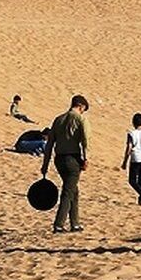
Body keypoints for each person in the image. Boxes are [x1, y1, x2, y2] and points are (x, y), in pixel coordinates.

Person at [40, 95, 91, 232]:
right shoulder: (80, 119)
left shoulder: (58, 119)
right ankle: (59, 223)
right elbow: (86, 141)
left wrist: (45, 164)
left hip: (59, 159)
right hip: (72, 159)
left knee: (73, 190)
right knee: (68, 191)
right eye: (83, 109)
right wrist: (86, 159)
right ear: (80, 106)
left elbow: (49, 144)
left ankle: (75, 223)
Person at [121, 113, 141, 206]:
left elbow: (129, 148)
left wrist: (125, 161)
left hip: (136, 158)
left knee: (132, 180)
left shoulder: (131, 134)